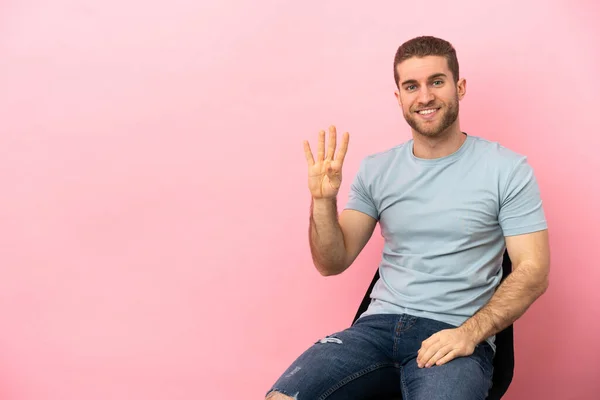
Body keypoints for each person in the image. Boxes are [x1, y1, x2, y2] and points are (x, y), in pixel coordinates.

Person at [266, 36, 550, 400]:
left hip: (453, 333)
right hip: (375, 330)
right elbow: (331, 262)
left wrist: (469, 333)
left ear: (459, 87)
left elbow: (533, 270)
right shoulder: (377, 169)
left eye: (436, 81)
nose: (425, 97)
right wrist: (324, 201)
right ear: (398, 97)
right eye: (411, 86)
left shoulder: (507, 170)